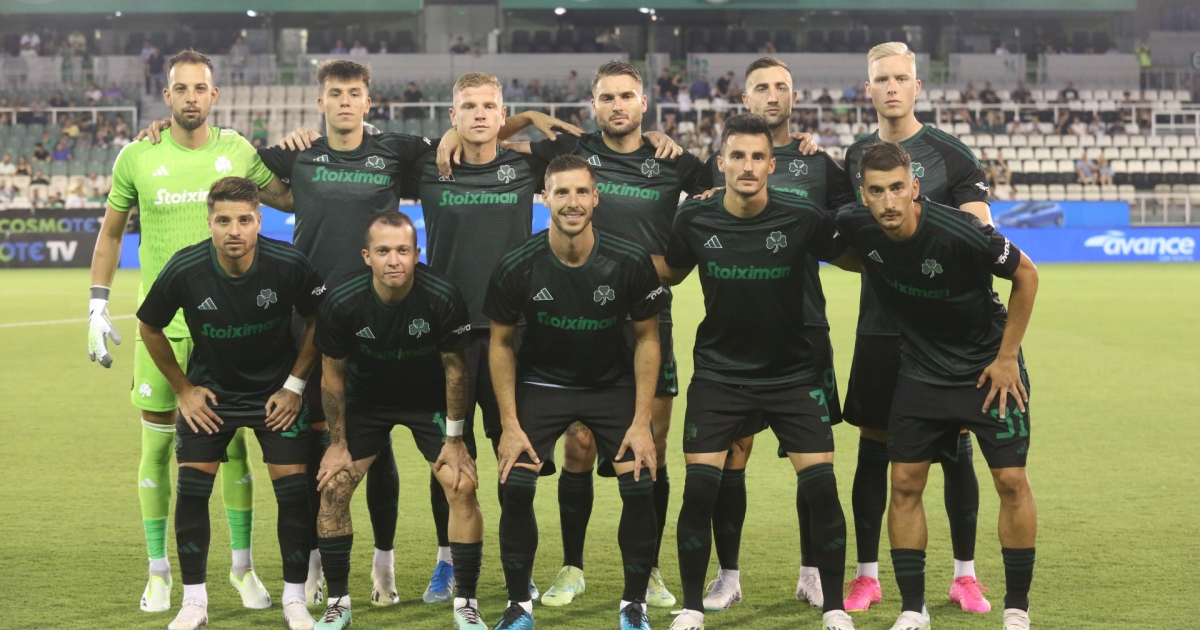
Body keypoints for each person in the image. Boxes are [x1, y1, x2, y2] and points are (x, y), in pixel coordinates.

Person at [209, 59, 580, 606]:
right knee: (420, 449)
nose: (479, 116)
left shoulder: (500, 164)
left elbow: (579, 149)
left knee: (500, 454)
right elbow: (246, 169)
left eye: (489, 108)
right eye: (468, 108)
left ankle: (511, 569)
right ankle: (431, 562)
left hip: (501, 332)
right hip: (399, 328)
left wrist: (525, 118)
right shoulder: (395, 162)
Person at [87, 49, 292, 614]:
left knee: (234, 449)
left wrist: (305, 147)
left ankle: (242, 568)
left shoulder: (238, 150)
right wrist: (97, 304)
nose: (191, 97)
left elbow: (289, 195)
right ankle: (158, 573)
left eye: (200, 88)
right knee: (157, 448)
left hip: (225, 331)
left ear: (214, 95)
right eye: (181, 88)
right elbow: (110, 234)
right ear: (167, 96)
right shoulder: (137, 154)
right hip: (162, 330)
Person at [505, 61, 705, 608]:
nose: (618, 106)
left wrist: (667, 268)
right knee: (578, 445)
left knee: (650, 448)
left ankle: (650, 571)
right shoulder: (572, 151)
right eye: (607, 98)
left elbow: (726, 197)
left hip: (647, 320)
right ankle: (573, 567)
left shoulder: (674, 161)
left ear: (644, 103)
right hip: (574, 320)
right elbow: (488, 144)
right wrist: (526, 115)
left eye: (626, 96)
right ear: (593, 105)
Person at [659, 113, 861, 630]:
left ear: (772, 164)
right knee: (699, 491)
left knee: (822, 490)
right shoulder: (693, 217)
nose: (747, 166)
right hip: (720, 375)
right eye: (737, 156)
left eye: (757, 157)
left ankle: (834, 607)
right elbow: (669, 272)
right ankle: (691, 606)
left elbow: (856, 258)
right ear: (721, 163)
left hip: (793, 374)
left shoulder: (803, 215)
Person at [836, 141, 1039, 630]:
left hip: (986, 372)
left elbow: (1027, 275)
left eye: (897, 189)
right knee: (904, 484)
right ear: (863, 195)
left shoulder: (961, 230)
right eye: (877, 191)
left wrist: (1006, 358)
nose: (888, 201)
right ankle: (913, 610)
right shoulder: (855, 224)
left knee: (1011, 482)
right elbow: (821, 240)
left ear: (915, 188)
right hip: (922, 372)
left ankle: (1017, 609)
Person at [840, 41, 993, 615]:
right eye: (882, 79)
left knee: (955, 450)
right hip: (880, 328)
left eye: (901, 78)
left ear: (916, 86)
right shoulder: (855, 157)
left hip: (944, 336)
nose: (892, 87)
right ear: (869, 89)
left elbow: (980, 236)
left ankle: (964, 575)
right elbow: (846, 234)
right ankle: (866, 575)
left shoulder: (952, 156)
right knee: (873, 449)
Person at [484, 153, 668, 630]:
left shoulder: (628, 259)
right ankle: (519, 607)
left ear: (596, 197)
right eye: (561, 192)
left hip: (611, 384)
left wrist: (641, 422)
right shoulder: (517, 264)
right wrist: (509, 424)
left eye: (581, 191)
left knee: (640, 483)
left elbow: (648, 339)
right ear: (544, 198)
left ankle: (634, 606)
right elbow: (500, 344)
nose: (572, 202)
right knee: (515, 482)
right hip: (542, 383)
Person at [137, 177, 323, 630]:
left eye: (243, 220)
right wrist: (183, 389)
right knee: (192, 492)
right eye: (223, 221)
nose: (234, 231)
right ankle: (194, 602)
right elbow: (149, 326)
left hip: (275, 396)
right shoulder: (186, 268)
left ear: (259, 220)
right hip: (212, 396)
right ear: (210, 223)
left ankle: (294, 599)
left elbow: (319, 319)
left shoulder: (288, 263)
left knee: (293, 495)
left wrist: (294, 385)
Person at [312, 210, 483, 630]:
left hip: (427, 401)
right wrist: (337, 443)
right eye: (384, 251)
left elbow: (456, 371)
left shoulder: (441, 295)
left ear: (416, 254)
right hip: (367, 401)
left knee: (461, 485)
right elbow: (331, 375)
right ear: (366, 256)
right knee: (334, 488)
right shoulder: (343, 299)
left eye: (403, 250)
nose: (394, 260)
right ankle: (338, 603)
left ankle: (466, 602)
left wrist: (455, 440)